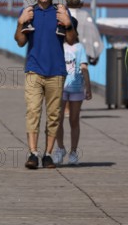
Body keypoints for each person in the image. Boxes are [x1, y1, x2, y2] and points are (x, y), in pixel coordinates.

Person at [14, 0, 76, 170]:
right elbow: (20, 41)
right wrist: (20, 23)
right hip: (34, 69)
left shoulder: (61, 12)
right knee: (33, 112)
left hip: (57, 71)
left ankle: (48, 154)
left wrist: (68, 23)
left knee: (54, 115)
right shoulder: (28, 12)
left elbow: (72, 40)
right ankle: (33, 153)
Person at [52, 18, 92, 166]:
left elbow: (84, 67)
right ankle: (60, 148)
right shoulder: (58, 45)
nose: (66, 32)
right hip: (60, 87)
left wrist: (88, 87)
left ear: (75, 31)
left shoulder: (79, 48)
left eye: (69, 29)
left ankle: (74, 151)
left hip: (76, 88)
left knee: (74, 120)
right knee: (58, 119)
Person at [66, 0, 103, 65]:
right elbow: (93, 35)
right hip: (81, 57)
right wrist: (94, 55)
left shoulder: (61, 13)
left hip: (63, 56)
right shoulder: (85, 16)